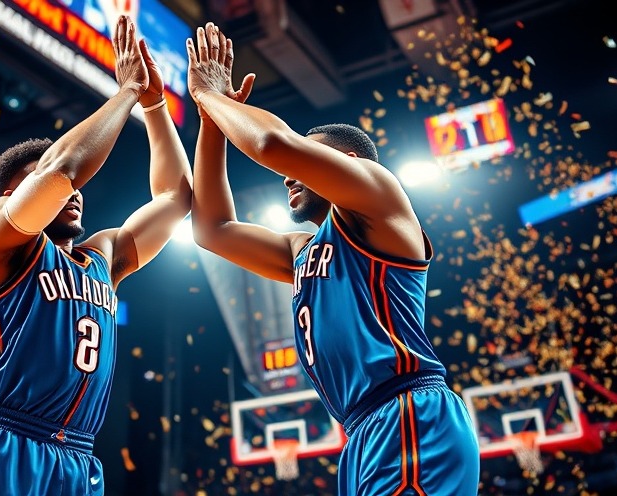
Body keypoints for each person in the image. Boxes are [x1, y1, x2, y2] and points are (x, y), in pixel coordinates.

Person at [186, 22, 480, 495]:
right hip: (362, 429)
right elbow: (211, 231)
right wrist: (209, 120)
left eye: (309, 159)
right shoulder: (303, 249)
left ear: (345, 161)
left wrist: (211, 95)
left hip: (408, 410)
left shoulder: (377, 192)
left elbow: (272, 146)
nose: (288, 177)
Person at [0, 15, 192, 496]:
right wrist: (124, 93)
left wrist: (154, 104)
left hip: (78, 454)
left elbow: (175, 200)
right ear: (15, 195)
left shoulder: (103, 256)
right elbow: (62, 173)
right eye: (55, 186)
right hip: (5, 437)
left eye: (78, 191)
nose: (75, 195)